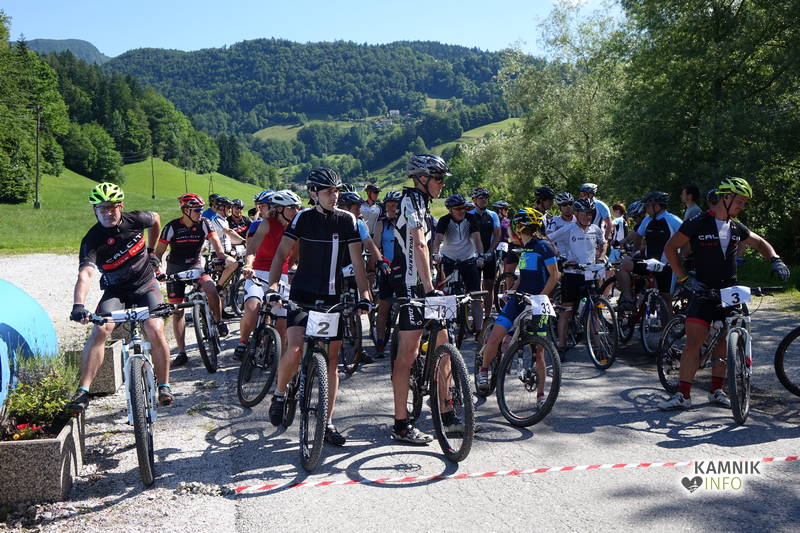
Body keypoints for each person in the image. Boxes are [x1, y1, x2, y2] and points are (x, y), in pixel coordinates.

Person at [658, 177, 790, 410]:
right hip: (702, 290)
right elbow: (670, 248)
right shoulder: (699, 222)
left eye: (744, 203)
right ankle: (683, 395)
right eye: (740, 201)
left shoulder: (736, 227)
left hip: (729, 292)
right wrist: (684, 278)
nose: (742, 206)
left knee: (723, 343)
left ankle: (716, 391)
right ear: (726, 198)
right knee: (694, 342)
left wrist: (775, 259)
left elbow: (760, 243)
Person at [266, 169, 372, 446]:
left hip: (331, 297)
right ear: (314, 193)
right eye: (328, 191)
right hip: (302, 294)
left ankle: (327, 422)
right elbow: (282, 252)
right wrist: (273, 286)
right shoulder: (302, 218)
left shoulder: (347, 220)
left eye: (336, 191)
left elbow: (357, 262)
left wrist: (364, 294)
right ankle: (280, 393)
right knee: (295, 348)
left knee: (332, 362)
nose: (334, 196)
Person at [68, 183, 173, 413]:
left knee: (154, 328)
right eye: (102, 208)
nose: (108, 212)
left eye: (113, 207)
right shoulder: (92, 240)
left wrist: (153, 251)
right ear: (94, 210)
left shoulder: (135, 220)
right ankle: (83, 392)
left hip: (146, 285)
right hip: (116, 291)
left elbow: (156, 219)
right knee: (100, 329)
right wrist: (78, 305)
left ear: (121, 206)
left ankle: (164, 385)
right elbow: (85, 274)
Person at [391, 154, 451, 444]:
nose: (442, 184)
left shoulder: (425, 204)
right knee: (408, 354)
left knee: (444, 343)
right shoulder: (411, 201)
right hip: (410, 287)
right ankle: (401, 423)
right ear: (423, 179)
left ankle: (447, 413)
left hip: (427, 285)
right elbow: (418, 244)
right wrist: (428, 288)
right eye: (438, 179)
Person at [477, 208, 560, 394]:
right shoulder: (526, 248)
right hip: (520, 299)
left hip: (537, 302)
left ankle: (541, 395)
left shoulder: (544, 247)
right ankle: (483, 371)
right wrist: (512, 290)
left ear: (519, 227)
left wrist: (539, 297)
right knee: (495, 337)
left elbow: (554, 275)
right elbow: (525, 276)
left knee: (539, 351)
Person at [154, 194, 229, 368]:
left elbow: (216, 242)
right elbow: (158, 254)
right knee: (177, 311)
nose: (200, 212)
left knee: (211, 289)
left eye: (201, 209)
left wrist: (221, 257)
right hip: (175, 268)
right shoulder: (171, 227)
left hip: (195, 266)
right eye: (196, 210)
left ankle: (218, 322)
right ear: (185, 210)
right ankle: (182, 352)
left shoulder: (204, 223)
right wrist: (158, 271)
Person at [236, 190, 302, 361]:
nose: (296, 211)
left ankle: (278, 360)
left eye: (297, 208)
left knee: (282, 324)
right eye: (292, 208)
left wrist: (291, 269)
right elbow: (252, 249)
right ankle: (243, 341)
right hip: (259, 272)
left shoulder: (295, 228)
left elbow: (295, 255)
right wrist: (248, 265)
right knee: (253, 308)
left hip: (281, 276)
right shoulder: (266, 224)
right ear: (279, 209)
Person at [546, 197, 607, 354]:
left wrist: (601, 256)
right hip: (572, 274)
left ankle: (599, 346)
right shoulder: (568, 229)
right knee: (567, 311)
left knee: (594, 310)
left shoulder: (595, 229)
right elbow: (547, 239)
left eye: (590, 213)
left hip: (590, 273)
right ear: (576, 214)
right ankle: (561, 345)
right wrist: (559, 255)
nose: (587, 216)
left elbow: (603, 243)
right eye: (584, 213)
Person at [615, 192, 682, 314]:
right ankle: (628, 300)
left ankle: (668, 325)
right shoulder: (647, 220)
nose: (646, 208)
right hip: (648, 263)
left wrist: (681, 258)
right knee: (621, 265)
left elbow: (687, 240)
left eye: (648, 206)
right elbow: (638, 236)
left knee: (666, 298)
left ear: (657, 206)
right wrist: (634, 253)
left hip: (667, 266)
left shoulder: (673, 220)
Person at [431, 193, 485, 333]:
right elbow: (438, 239)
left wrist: (481, 256)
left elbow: (477, 239)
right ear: (450, 210)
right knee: (447, 293)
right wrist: (435, 254)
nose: (462, 211)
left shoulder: (471, 219)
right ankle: (446, 328)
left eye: (463, 208)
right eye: (458, 208)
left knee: (476, 295)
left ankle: (479, 330)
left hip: (468, 259)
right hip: (449, 260)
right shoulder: (444, 220)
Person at [372, 190, 401, 357]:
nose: (391, 208)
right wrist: (376, 264)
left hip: (405, 271)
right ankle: (380, 341)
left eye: (394, 205)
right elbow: (375, 246)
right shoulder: (381, 224)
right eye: (388, 205)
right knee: (383, 307)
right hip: (387, 269)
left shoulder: (406, 223)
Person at [469, 187, 501, 319]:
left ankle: (487, 317)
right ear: (474, 200)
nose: (484, 200)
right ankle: (476, 318)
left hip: (489, 255)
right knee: (474, 288)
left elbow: (497, 235)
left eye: (486, 197)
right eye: (480, 198)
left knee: (489, 287)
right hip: (473, 255)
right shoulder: (469, 215)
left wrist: (490, 251)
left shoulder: (493, 215)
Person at [206, 196, 244, 294]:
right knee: (234, 264)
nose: (230, 210)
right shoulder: (216, 219)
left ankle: (226, 289)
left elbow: (228, 239)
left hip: (226, 251)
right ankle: (218, 287)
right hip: (218, 253)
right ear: (221, 208)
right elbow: (228, 231)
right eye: (228, 207)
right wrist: (243, 240)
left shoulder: (224, 220)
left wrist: (244, 243)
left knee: (240, 261)